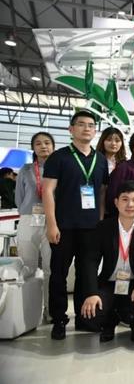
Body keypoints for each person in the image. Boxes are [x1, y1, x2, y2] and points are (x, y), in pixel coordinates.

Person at [43, 110, 109, 339]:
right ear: (71, 129)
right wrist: (51, 224)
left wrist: (100, 220)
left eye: (91, 125)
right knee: (59, 274)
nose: (86, 128)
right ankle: (59, 319)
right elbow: (48, 191)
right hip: (64, 226)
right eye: (81, 124)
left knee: (86, 273)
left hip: (91, 228)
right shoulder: (59, 157)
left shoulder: (101, 160)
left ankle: (85, 318)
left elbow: (102, 192)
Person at [80, 181, 134, 348]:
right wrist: (92, 293)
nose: (130, 204)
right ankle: (109, 323)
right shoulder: (103, 227)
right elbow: (91, 261)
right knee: (92, 314)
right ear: (116, 202)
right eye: (125, 199)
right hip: (110, 282)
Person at [15, 131, 55, 320]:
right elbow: (19, 197)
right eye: (38, 143)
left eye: (47, 142)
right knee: (27, 267)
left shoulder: (60, 169)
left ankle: (50, 310)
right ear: (33, 148)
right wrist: (27, 209)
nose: (43, 146)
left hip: (52, 221)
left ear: (53, 146)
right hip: (28, 219)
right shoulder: (26, 169)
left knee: (50, 268)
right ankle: (29, 313)